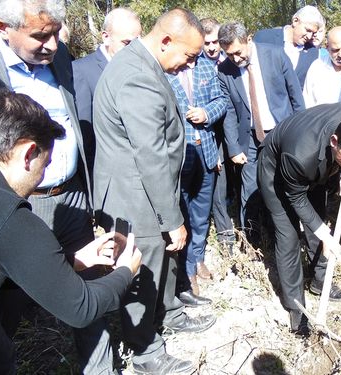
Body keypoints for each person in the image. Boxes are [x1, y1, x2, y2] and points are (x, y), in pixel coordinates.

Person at [0, 0, 111, 372]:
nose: (54, 44)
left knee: (88, 279)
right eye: (40, 35)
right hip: (10, 206)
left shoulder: (61, 53)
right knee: (4, 304)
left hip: (70, 195)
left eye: (56, 32)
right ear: (2, 27)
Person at [0, 89, 141, 374]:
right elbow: (81, 308)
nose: (42, 176)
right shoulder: (7, 214)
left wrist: (75, 260)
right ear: (29, 153)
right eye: (46, 165)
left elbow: (6, 263)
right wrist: (126, 271)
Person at [93, 8, 216, 373]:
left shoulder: (144, 64)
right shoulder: (136, 77)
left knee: (163, 260)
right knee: (142, 273)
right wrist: (172, 217)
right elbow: (150, 153)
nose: (188, 65)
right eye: (188, 56)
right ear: (166, 41)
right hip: (135, 198)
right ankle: (146, 351)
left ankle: (170, 313)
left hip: (147, 192)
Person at [257, 102, 341, 334]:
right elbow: (296, 198)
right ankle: (296, 307)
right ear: (335, 142)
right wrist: (327, 236)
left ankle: (319, 281)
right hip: (277, 171)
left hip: (317, 166)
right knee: (288, 235)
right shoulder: (300, 155)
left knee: (318, 218)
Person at [217, 22, 305, 248]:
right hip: (249, 139)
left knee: (284, 183)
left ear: (249, 39)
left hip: (281, 133)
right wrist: (234, 148)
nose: (235, 59)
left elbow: (296, 97)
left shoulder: (275, 55)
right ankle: (252, 239)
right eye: (229, 54)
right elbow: (228, 112)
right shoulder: (225, 70)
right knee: (249, 187)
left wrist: (299, 135)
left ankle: (287, 235)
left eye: (238, 52)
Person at [166, 49, 228, 305]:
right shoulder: (165, 68)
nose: (191, 58)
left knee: (201, 214)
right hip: (179, 156)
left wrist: (206, 114)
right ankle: (186, 272)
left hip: (207, 152)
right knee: (183, 214)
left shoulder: (205, 66)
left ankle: (198, 258)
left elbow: (221, 100)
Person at [73, 7, 142, 173]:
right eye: (126, 43)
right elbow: (86, 133)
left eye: (137, 43)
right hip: (105, 172)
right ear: (106, 37)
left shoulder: (140, 68)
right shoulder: (82, 70)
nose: (133, 50)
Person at [200, 17, 237, 252]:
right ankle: (225, 234)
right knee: (219, 183)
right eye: (207, 43)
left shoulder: (232, 60)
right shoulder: (197, 66)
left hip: (234, 130)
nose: (212, 47)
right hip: (211, 132)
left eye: (215, 42)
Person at [253, 5, 324, 88]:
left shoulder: (313, 53)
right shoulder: (264, 39)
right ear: (295, 21)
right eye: (308, 30)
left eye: (313, 33)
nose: (309, 36)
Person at [303, 26, 341, 108]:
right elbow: (307, 102)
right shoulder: (317, 67)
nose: (340, 55)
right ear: (327, 47)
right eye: (335, 50)